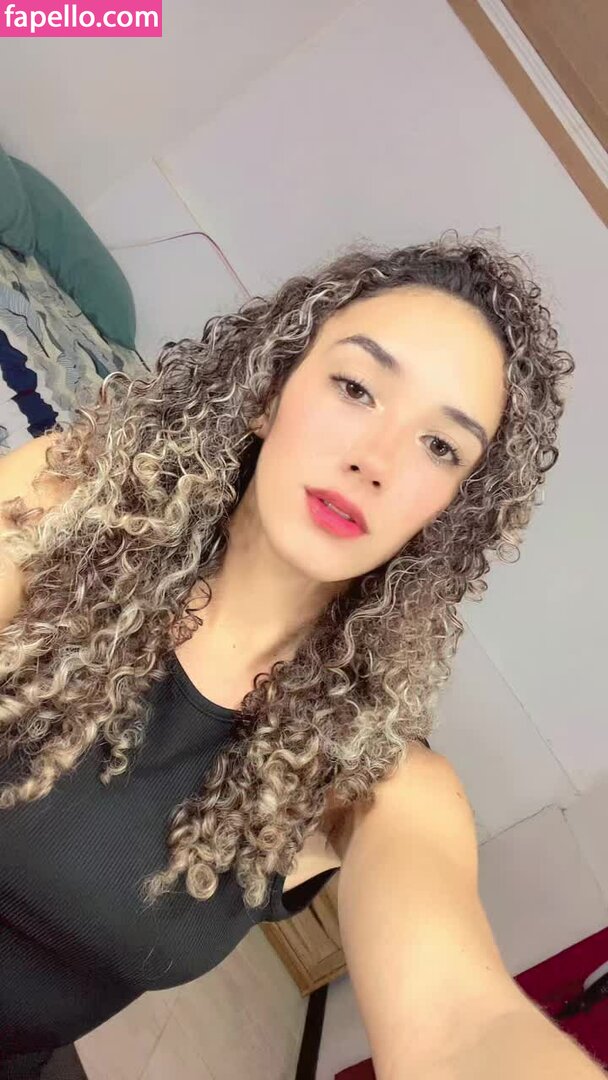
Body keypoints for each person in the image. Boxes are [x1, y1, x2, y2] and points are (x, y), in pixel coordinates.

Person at [0, 234, 602, 1079]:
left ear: (451, 514)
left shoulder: (371, 776)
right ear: (268, 392)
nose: (374, 460)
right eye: (356, 388)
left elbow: (462, 1024)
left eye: (440, 447)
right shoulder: (68, 508)